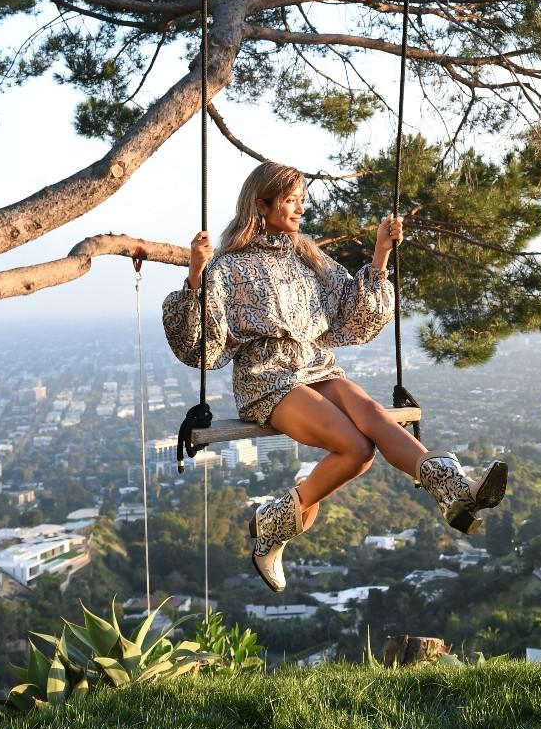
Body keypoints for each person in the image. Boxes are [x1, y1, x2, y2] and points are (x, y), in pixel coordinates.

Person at [162, 160, 508, 592]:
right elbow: (198, 339)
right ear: (262, 204)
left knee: (372, 414)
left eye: (301, 201)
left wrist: (380, 252)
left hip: (316, 365)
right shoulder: (229, 266)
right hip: (269, 378)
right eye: (290, 201)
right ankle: (272, 525)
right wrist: (196, 272)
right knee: (357, 449)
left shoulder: (308, 256)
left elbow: (352, 308)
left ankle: (456, 490)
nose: (299, 210)